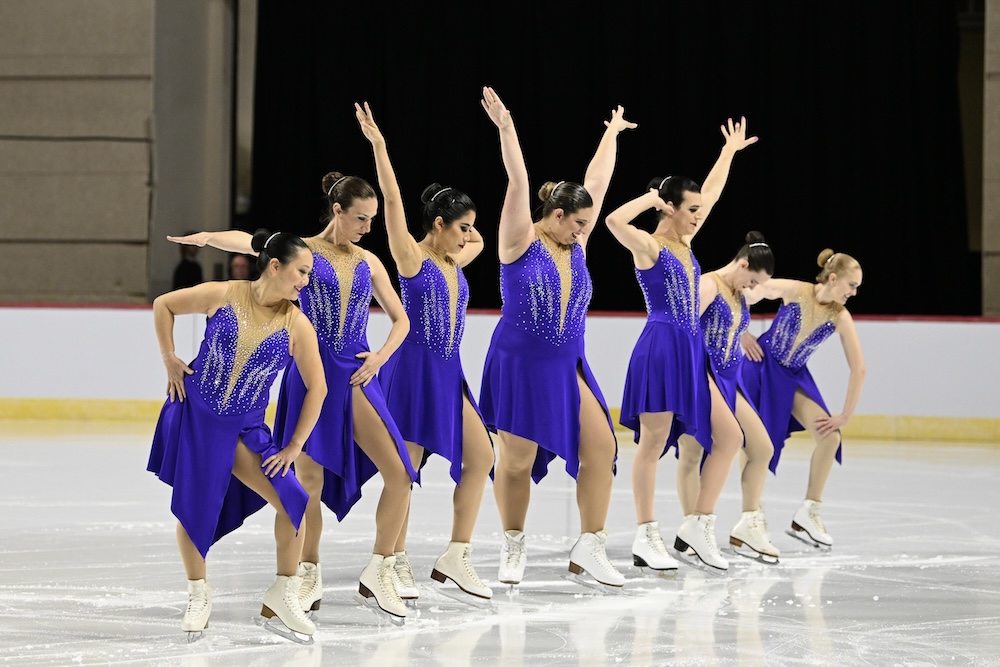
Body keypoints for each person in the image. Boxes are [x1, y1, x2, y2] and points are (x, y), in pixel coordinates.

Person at [166, 174, 418, 625]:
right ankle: (307, 572)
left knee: (399, 471)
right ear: (337, 211)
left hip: (354, 373)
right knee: (309, 483)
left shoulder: (368, 261)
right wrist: (207, 238)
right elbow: (252, 242)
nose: (367, 226)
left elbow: (401, 320)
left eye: (372, 219)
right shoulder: (300, 253)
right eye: (361, 217)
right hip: (307, 374)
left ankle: (379, 568)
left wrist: (380, 357)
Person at [478, 86, 636, 591]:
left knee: (601, 448)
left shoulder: (577, 241)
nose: (584, 231)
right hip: (521, 364)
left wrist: (610, 134)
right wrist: (508, 129)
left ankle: (590, 546)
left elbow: (597, 179)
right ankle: (513, 541)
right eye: (579, 223)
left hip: (569, 363)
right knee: (518, 462)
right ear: (557, 215)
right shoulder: (517, 241)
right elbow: (519, 179)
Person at [148, 229, 326, 643]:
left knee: (293, 499)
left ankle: (284, 593)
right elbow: (164, 305)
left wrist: (295, 445)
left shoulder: (297, 324)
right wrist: (169, 358)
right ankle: (198, 592)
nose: (305, 281)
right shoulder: (224, 293)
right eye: (301, 272)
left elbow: (318, 387)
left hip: (247, 427)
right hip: (198, 416)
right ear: (275, 266)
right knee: (193, 508)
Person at [355, 101, 496, 606]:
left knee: (481, 456)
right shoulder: (412, 259)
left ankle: (455, 555)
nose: (469, 236)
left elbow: (481, 237)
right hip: (413, 371)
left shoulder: (457, 258)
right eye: (460, 227)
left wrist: (462, 226)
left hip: (449, 372)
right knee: (405, 471)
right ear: (438, 224)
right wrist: (380, 147)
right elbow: (392, 204)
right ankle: (388, 561)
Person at [605, 117, 758, 575]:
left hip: (692, 349)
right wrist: (649, 199)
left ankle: (698, 524)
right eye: (689, 208)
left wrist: (727, 152)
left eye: (696, 210)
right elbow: (613, 219)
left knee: (729, 435)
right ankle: (646, 532)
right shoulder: (649, 246)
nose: (698, 214)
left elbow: (709, 193)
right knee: (651, 443)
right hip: (661, 346)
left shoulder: (688, 241)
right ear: (669, 207)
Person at [739, 249, 866, 550]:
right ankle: (752, 515)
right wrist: (742, 332)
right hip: (760, 367)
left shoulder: (840, 316)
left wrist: (845, 415)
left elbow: (858, 368)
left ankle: (809, 513)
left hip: (793, 376)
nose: (854, 293)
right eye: (852, 285)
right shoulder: (796, 290)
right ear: (833, 278)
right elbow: (747, 292)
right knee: (756, 445)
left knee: (830, 437)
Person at [689, 232, 780, 563]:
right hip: (704, 374)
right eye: (752, 279)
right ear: (743, 264)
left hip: (730, 377)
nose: (752, 288)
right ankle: (695, 527)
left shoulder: (742, 292)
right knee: (695, 452)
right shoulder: (709, 285)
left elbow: (773, 290)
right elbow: (683, 327)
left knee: (762, 448)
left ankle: (747, 524)